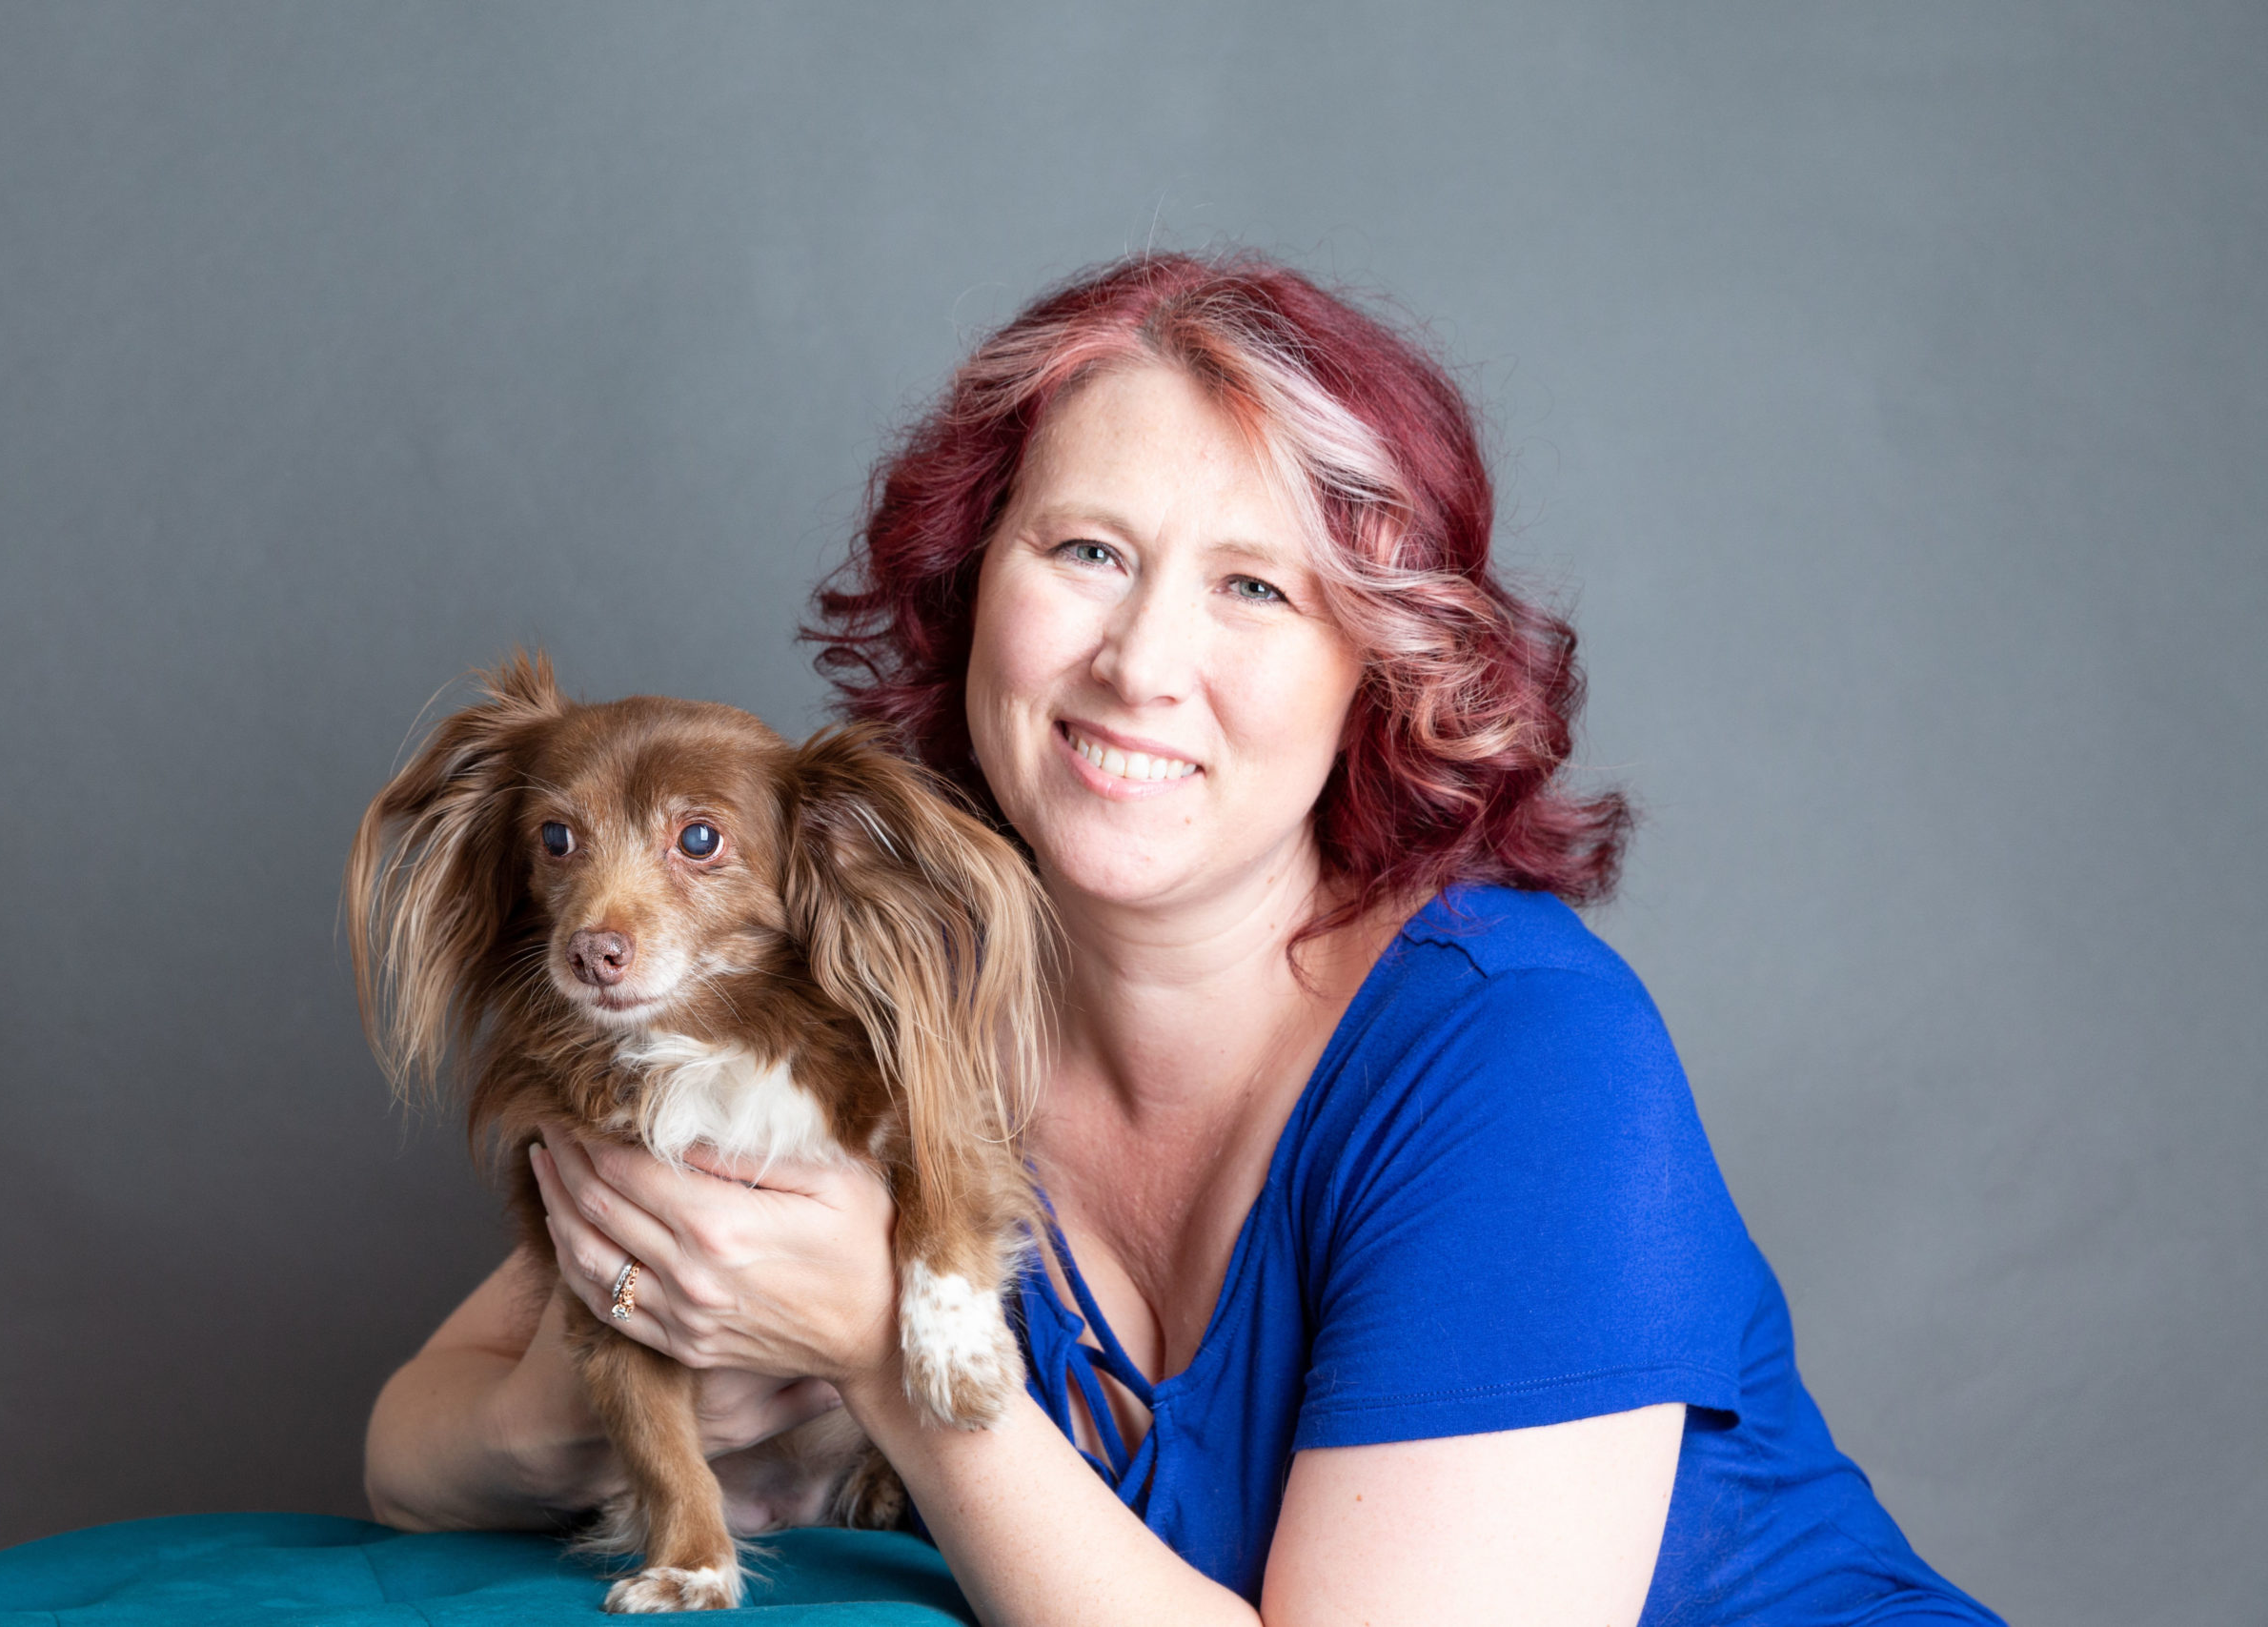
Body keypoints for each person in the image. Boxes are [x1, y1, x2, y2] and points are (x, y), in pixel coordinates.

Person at [364, 254, 2004, 1626]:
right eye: (1087, 552)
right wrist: (632, 1391)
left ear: (1388, 673)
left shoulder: (1521, 1054)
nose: (1144, 660)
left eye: (1257, 590)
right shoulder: (887, 993)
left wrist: (881, 1346)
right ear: (968, 592)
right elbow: (410, 1451)